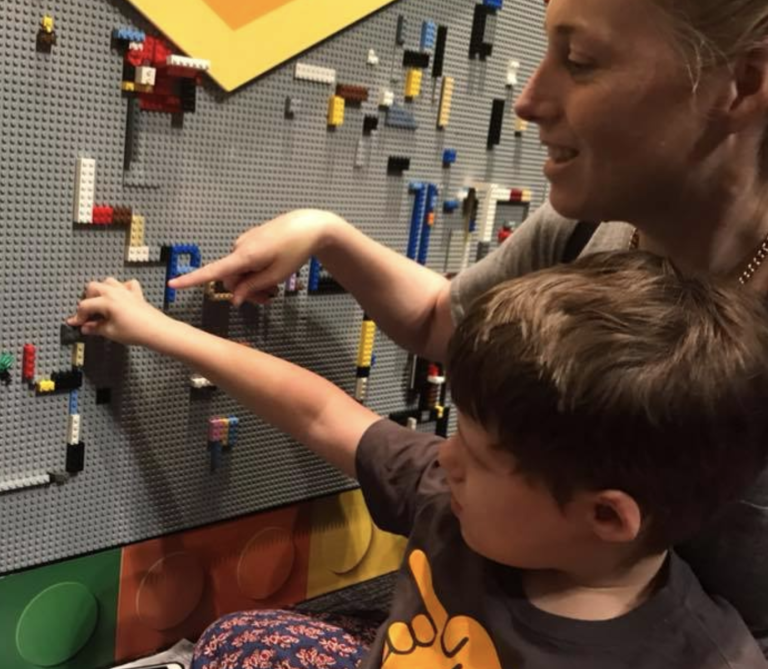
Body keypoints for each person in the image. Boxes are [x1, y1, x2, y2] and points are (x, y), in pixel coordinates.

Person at [167, 0, 768, 654]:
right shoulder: (590, 221)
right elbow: (438, 321)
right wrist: (327, 233)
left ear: (741, 84)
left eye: (581, 60)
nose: (529, 100)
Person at [67, 252, 768, 668]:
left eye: (482, 453)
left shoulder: (706, 657)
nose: (447, 457)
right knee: (238, 637)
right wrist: (157, 330)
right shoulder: (453, 494)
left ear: (607, 515)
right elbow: (322, 412)